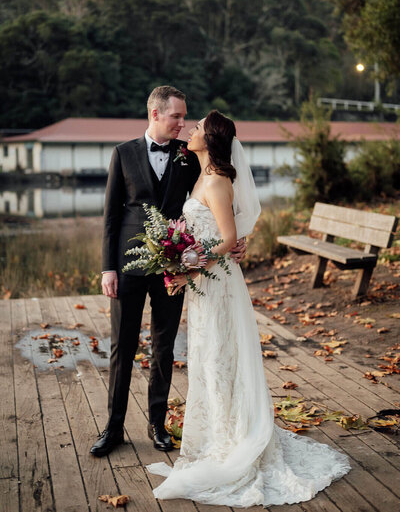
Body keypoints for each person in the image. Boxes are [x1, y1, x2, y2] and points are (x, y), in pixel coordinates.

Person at [147, 110, 351, 507]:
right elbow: (212, 235)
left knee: (222, 358)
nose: (192, 130)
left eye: (199, 127)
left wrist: (188, 265)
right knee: (209, 359)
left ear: (212, 140)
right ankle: (214, 437)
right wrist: (181, 260)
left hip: (218, 284)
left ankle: (232, 442)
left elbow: (225, 239)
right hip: (207, 282)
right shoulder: (202, 174)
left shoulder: (219, 181)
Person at [90, 88, 246, 457]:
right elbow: (111, 216)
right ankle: (113, 429)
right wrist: (107, 268)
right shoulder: (123, 153)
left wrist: (241, 239)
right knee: (122, 348)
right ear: (155, 113)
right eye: (176, 116)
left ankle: (157, 425)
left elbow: (223, 195)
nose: (182, 123)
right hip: (127, 268)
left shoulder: (190, 155)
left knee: (163, 348)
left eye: (185, 117)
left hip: (175, 270)